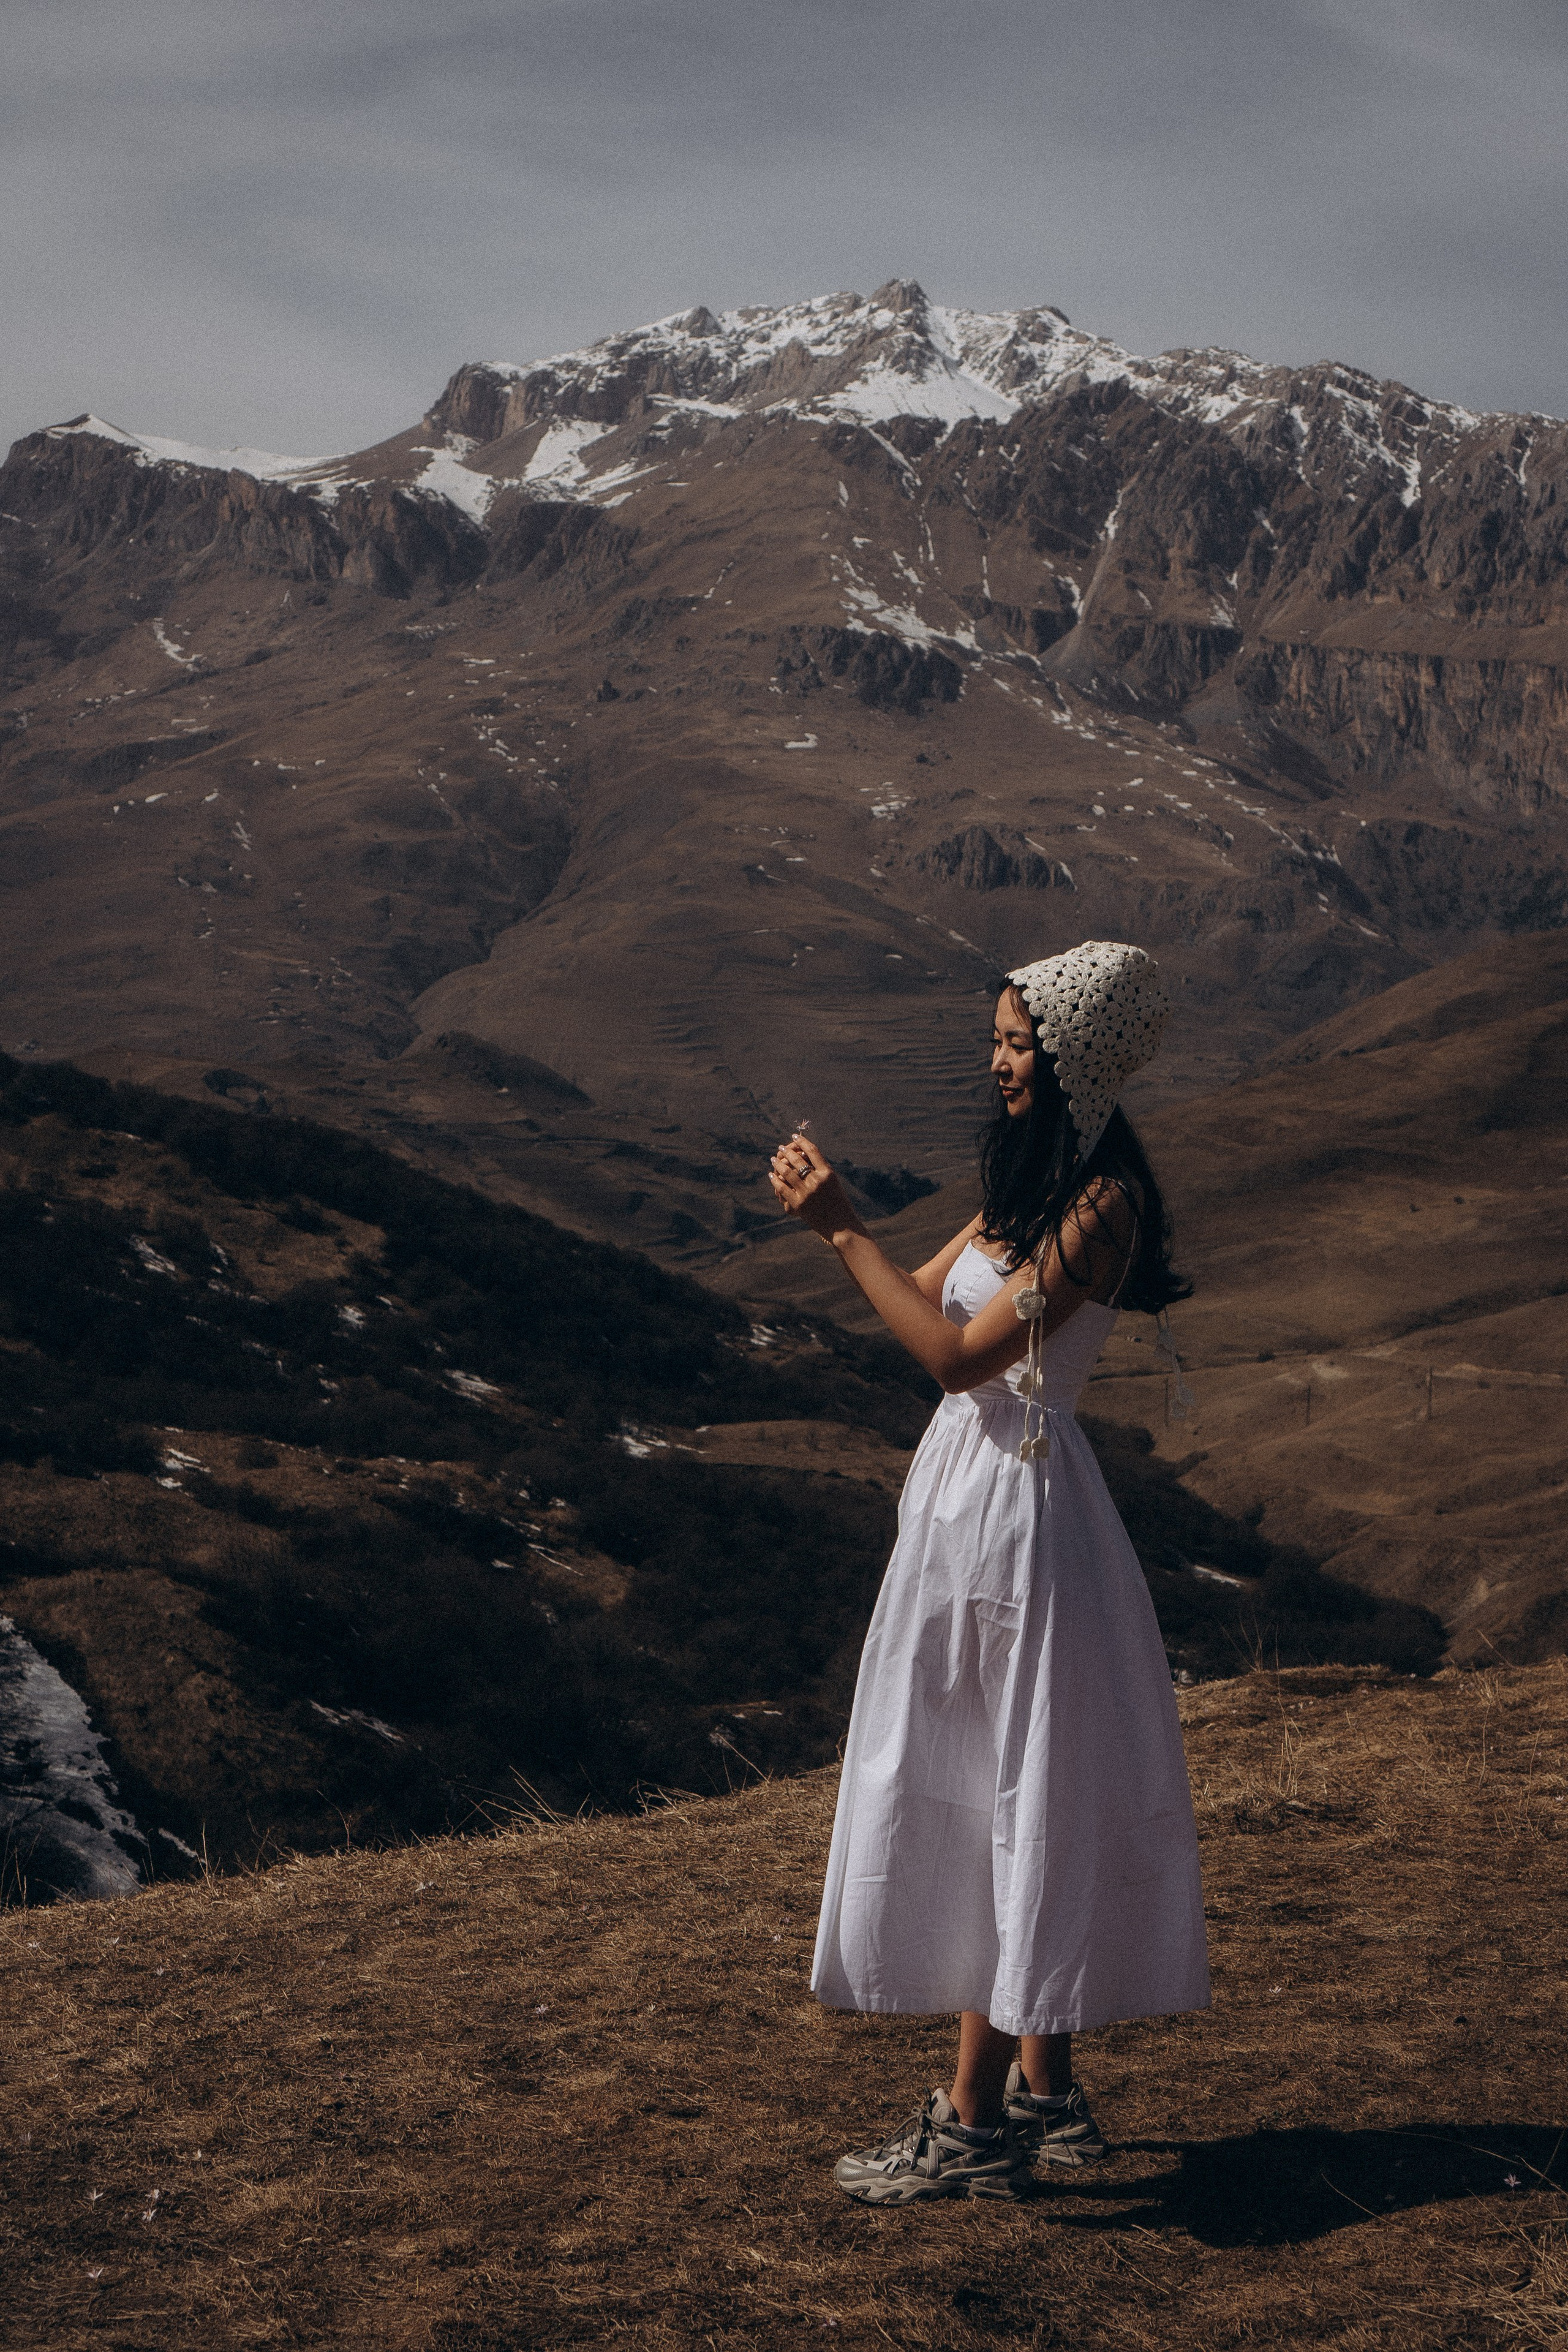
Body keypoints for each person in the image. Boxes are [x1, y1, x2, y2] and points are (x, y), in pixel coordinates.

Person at [769, 940, 1209, 2205]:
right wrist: (839, 1239)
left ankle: (974, 2120)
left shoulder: (1099, 1207)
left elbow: (959, 1357)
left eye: (1019, 1042)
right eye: (1000, 1037)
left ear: (1073, 1059)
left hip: (1019, 1507)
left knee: (1009, 1777)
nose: (998, 1059)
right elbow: (922, 1301)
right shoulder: (1025, 1193)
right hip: (968, 1499)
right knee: (1004, 1771)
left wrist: (840, 1227)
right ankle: (1041, 2089)